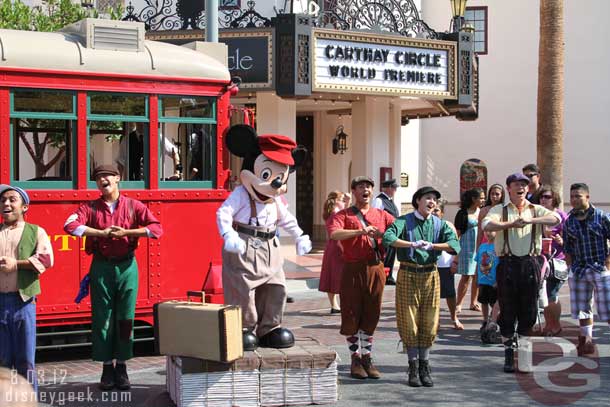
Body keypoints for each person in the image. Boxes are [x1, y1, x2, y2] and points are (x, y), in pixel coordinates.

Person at [64, 165, 163, 390]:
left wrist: (127, 233)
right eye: (98, 177)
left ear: (118, 178)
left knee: (126, 317)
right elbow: (69, 225)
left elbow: (156, 229)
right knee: (102, 317)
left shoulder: (133, 206)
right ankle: (107, 368)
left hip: (127, 266)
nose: (102, 180)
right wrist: (99, 233)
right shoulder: (89, 207)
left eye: (107, 176)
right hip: (101, 266)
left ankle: (123, 367)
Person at [383, 186, 460, 388]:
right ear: (418, 200)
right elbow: (388, 238)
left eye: (434, 199)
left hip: (430, 274)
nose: (432, 202)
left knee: (430, 320)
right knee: (409, 321)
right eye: (428, 198)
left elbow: (455, 244)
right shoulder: (404, 221)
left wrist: (433, 246)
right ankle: (412, 366)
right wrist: (411, 244)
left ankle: (425, 365)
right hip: (408, 273)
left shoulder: (438, 224)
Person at [482, 173, 559, 373]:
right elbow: (487, 225)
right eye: (517, 185)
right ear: (509, 189)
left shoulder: (535, 209)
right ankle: (509, 355)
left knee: (529, 312)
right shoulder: (500, 209)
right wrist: (510, 224)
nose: (521, 188)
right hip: (507, 264)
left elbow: (555, 217)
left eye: (524, 185)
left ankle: (524, 357)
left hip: (530, 264)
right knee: (507, 310)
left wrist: (532, 220)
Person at [329, 176, 394, 380]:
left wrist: (381, 235)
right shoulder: (344, 214)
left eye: (368, 186)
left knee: (372, 312)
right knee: (351, 312)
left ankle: (367, 357)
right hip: (352, 268)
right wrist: (360, 231)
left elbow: (397, 231)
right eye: (360, 186)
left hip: (375, 268)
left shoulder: (382, 214)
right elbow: (334, 234)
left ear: (372, 191)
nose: (365, 189)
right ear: (354, 191)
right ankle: (355, 359)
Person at [0, 185, 53, 393]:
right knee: (2, 361)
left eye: (12, 200)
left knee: (25, 361)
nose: (6, 204)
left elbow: (47, 259)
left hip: (23, 302)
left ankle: (29, 401)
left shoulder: (36, 231)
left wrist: (17, 264)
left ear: (24, 207)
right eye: (3, 200)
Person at [563, 183, 610, 356]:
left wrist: (608, 263)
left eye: (578, 196)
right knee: (583, 308)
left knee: (607, 306)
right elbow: (568, 247)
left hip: (599, 268)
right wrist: (571, 269)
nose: (574, 199)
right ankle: (587, 340)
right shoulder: (569, 221)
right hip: (580, 270)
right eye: (572, 196)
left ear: (587, 197)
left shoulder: (601, 217)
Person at [538, 186, 568, 336]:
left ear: (554, 199)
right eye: (542, 196)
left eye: (547, 197)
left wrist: (561, 240)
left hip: (557, 261)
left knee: (551, 294)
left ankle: (555, 325)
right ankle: (548, 325)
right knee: (543, 295)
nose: (544, 199)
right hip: (540, 260)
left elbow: (570, 240)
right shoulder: (538, 216)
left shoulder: (561, 216)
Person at [432, 199, 463, 330]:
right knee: (433, 295)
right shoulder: (424, 225)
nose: (434, 212)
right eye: (432, 209)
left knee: (450, 294)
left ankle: (454, 318)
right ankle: (436, 320)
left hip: (445, 264)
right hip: (431, 265)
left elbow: (456, 245)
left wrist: (455, 261)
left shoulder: (448, 225)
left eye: (437, 210)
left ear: (442, 212)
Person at [454, 188, 485, 314]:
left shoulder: (483, 212)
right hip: (466, 247)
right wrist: (455, 252)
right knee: (466, 277)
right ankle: (458, 304)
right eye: (481, 197)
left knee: (477, 277)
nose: (483, 200)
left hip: (480, 246)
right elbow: (457, 233)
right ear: (473, 199)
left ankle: (474, 302)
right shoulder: (462, 213)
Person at [319, 191, 350, 313]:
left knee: (335, 275)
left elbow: (346, 214)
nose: (343, 202)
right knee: (336, 275)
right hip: (337, 246)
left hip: (335, 246)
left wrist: (347, 201)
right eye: (342, 200)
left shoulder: (333, 213)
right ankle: (335, 305)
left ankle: (335, 305)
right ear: (336, 201)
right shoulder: (334, 215)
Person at [372, 179, 400, 285]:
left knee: (391, 255)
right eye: (394, 188)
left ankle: (388, 276)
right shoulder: (379, 200)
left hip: (392, 232)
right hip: (384, 233)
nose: (395, 190)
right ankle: (383, 276)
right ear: (388, 188)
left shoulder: (390, 200)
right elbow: (375, 216)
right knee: (385, 255)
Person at [475, 229, 498, 333]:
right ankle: (485, 320)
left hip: (494, 282)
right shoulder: (482, 246)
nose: (488, 233)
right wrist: (476, 277)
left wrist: (498, 280)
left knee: (494, 303)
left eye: (491, 231)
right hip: (483, 280)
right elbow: (477, 262)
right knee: (483, 301)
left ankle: (493, 320)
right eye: (486, 231)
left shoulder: (498, 247)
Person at [477, 184, 505, 248]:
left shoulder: (505, 209)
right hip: (486, 243)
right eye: (492, 194)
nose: (494, 196)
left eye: (497, 194)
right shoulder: (483, 210)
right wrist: (478, 248)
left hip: (500, 243)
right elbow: (480, 231)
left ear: (502, 195)